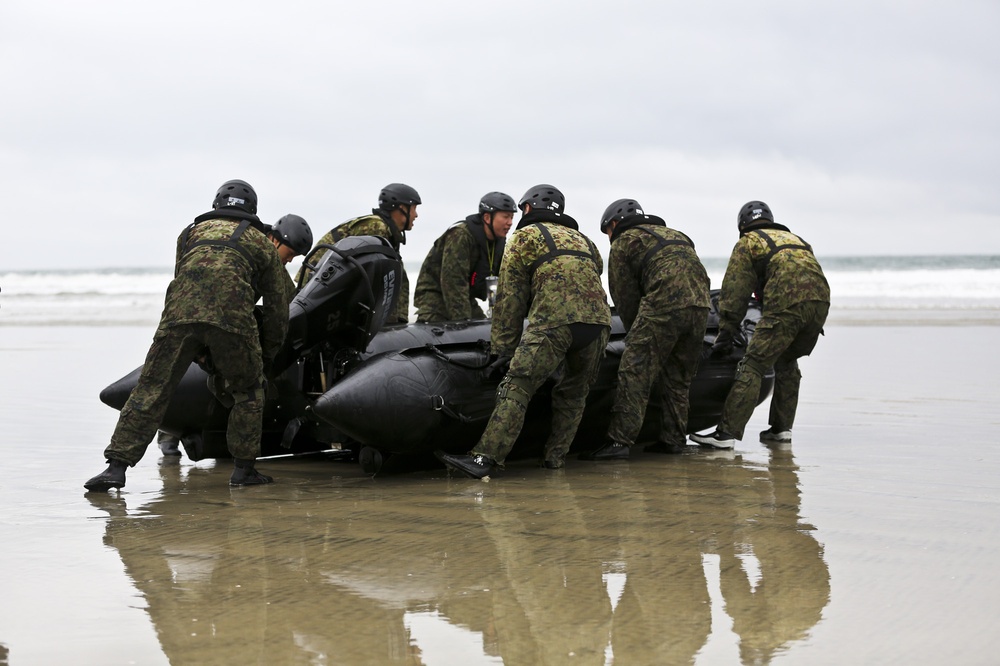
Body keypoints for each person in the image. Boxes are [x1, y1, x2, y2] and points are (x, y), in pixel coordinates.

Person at [84, 179, 291, 491]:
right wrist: (268, 355)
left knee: (151, 389)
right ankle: (244, 471)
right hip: (232, 320)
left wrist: (194, 343)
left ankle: (116, 468)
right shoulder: (260, 242)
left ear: (217, 204)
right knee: (248, 391)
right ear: (252, 210)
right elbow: (277, 306)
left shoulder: (189, 233)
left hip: (178, 317)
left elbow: (183, 280)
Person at [436, 184, 612, 478]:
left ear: (528, 208)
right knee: (573, 394)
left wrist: (503, 350)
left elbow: (509, 298)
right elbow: (595, 271)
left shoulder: (524, 237)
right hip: (599, 324)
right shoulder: (585, 239)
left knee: (517, 386)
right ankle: (555, 460)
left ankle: (484, 459)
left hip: (554, 322)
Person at [689, 201, 830, 449]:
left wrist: (726, 333)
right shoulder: (797, 240)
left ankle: (726, 436)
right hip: (820, 304)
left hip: (787, 305)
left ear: (743, 226)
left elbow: (734, 293)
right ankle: (781, 430)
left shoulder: (749, 242)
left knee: (753, 365)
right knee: (787, 362)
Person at [578, 199, 711, 461]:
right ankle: (673, 439)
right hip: (701, 306)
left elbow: (625, 297)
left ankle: (619, 442)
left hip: (664, 303)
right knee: (679, 377)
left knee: (634, 370)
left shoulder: (623, 242)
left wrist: (634, 336)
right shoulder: (677, 235)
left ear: (613, 224)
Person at [298, 183, 419, 324]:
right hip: (315, 284)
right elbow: (369, 278)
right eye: (414, 208)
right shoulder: (376, 227)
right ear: (402, 208)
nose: (416, 215)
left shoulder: (387, 232)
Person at [414, 191, 516, 322]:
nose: (510, 223)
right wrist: (463, 321)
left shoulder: (498, 242)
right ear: (487, 218)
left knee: (486, 331)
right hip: (435, 298)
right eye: (506, 217)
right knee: (461, 329)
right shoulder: (461, 235)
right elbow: (453, 281)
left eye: (512, 217)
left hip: (465, 297)